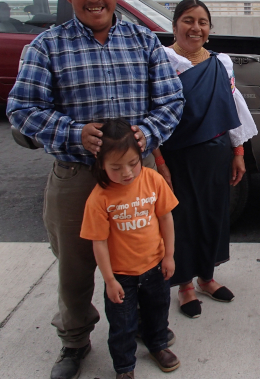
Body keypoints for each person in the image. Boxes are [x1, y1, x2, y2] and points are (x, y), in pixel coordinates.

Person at [6, 0, 184, 379]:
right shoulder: (46, 46)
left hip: (134, 177)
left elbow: (172, 100)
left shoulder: (143, 40)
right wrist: (72, 132)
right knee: (75, 267)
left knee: (142, 260)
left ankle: (149, 329)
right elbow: (21, 108)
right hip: (75, 177)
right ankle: (74, 342)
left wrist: (147, 132)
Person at [159, 0, 257, 319]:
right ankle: (185, 284)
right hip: (177, 156)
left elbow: (232, 106)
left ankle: (207, 277)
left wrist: (238, 151)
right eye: (188, 20)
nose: (195, 27)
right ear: (174, 26)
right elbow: (150, 114)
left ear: (210, 30)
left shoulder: (221, 63)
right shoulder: (162, 62)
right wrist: (159, 164)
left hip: (217, 153)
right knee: (182, 218)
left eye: (202, 22)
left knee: (215, 214)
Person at [80, 119, 180, 379]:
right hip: (121, 275)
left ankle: (157, 345)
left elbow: (166, 218)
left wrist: (169, 255)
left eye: (133, 163)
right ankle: (124, 367)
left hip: (155, 266)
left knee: (157, 311)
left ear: (141, 155)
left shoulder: (153, 180)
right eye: (116, 167)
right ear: (101, 164)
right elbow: (98, 242)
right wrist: (109, 280)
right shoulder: (99, 198)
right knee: (122, 325)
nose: (127, 172)